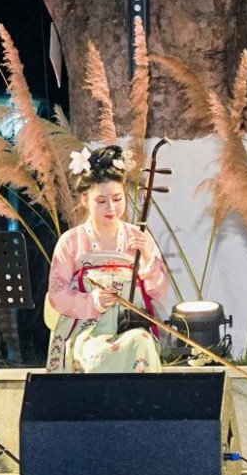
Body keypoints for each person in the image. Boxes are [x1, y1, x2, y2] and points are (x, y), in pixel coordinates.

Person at [45, 145, 169, 373]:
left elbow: (159, 292)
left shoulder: (138, 236)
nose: (111, 207)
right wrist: (91, 301)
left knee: (141, 342)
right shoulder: (71, 241)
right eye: (101, 201)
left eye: (117, 198)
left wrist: (147, 258)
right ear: (85, 199)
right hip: (86, 329)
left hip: (129, 325)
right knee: (98, 357)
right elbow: (57, 294)